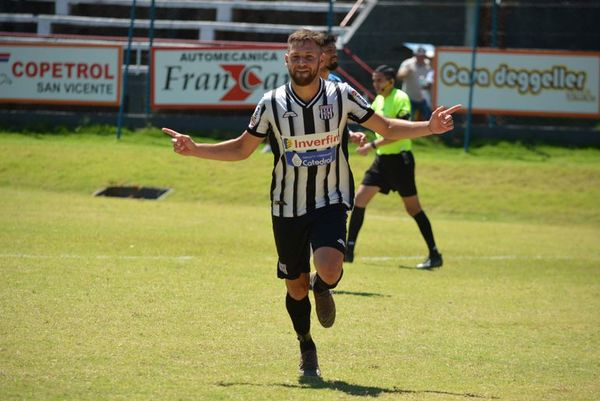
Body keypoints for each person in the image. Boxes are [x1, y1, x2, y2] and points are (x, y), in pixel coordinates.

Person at [163, 29, 460, 378]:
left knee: (330, 268)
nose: (302, 61)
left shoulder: (342, 95)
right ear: (286, 60)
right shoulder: (271, 103)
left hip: (330, 199)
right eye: (296, 56)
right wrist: (197, 149)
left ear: (321, 61)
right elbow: (243, 148)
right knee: (295, 286)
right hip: (286, 206)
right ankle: (306, 344)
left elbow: (387, 128)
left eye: (309, 56)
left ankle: (324, 287)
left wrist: (429, 126)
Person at [345, 65, 443, 269]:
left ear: (391, 81)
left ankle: (434, 254)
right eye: (374, 80)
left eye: (380, 80)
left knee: (413, 208)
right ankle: (349, 250)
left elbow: (399, 132)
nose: (376, 84)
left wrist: (371, 145)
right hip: (382, 161)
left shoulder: (401, 98)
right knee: (359, 200)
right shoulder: (378, 100)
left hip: (400, 161)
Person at [396, 46, 433, 121]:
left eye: (422, 56)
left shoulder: (429, 64)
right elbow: (399, 76)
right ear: (415, 55)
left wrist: (429, 85)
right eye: (419, 56)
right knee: (410, 119)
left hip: (423, 98)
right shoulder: (407, 63)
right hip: (409, 97)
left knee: (427, 119)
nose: (420, 58)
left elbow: (432, 79)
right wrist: (406, 72)